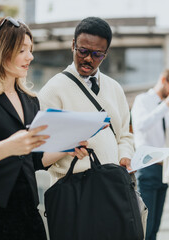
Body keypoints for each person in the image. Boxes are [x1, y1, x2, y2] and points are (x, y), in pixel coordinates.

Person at [0, 17, 88, 240]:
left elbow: (32, 160)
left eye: (31, 50)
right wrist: (9, 146)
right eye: (22, 50)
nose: (30, 57)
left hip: (26, 212)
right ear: (0, 50)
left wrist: (67, 147)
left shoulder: (30, 100)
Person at [38, 17, 134, 182]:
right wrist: (67, 145)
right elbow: (41, 150)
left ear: (106, 54)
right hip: (74, 190)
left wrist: (125, 156)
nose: (89, 59)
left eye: (97, 54)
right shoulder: (52, 90)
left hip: (114, 186)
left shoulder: (115, 88)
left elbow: (125, 135)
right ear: (73, 45)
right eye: (83, 51)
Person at [131, 69, 169, 240]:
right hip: (147, 167)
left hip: (164, 169)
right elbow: (140, 126)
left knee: (155, 227)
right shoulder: (143, 100)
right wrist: (165, 107)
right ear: (163, 80)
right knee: (146, 226)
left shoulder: (168, 107)